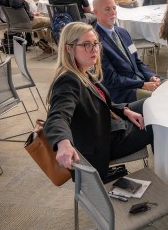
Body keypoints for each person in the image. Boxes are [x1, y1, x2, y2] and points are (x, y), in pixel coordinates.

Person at [44, 22, 154, 182]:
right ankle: (167, 173)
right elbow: (57, 115)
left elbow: (101, 101)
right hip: (105, 141)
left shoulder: (82, 71)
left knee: (149, 104)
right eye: (86, 45)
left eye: (95, 43)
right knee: (157, 125)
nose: (94, 49)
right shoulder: (68, 80)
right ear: (69, 48)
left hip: (109, 123)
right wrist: (63, 143)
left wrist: (124, 110)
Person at [93, 0, 160, 103]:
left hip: (140, 80)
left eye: (114, 8)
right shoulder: (95, 41)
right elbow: (112, 80)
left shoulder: (123, 32)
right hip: (123, 91)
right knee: (159, 99)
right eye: (107, 9)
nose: (113, 12)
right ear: (95, 12)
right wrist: (142, 84)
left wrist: (150, 76)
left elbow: (136, 61)